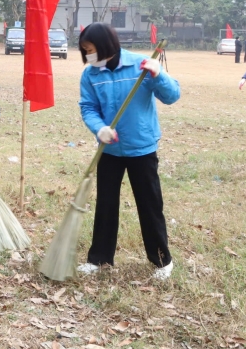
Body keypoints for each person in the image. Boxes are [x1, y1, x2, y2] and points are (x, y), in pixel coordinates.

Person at [76, 23, 181, 280]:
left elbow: (172, 96)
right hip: (109, 151)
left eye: (89, 50)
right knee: (106, 205)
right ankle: (99, 258)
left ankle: (162, 261)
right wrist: (99, 128)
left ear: (104, 45)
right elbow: (88, 107)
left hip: (141, 148)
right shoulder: (91, 74)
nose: (87, 55)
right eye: (84, 51)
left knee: (149, 205)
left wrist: (159, 75)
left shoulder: (140, 65)